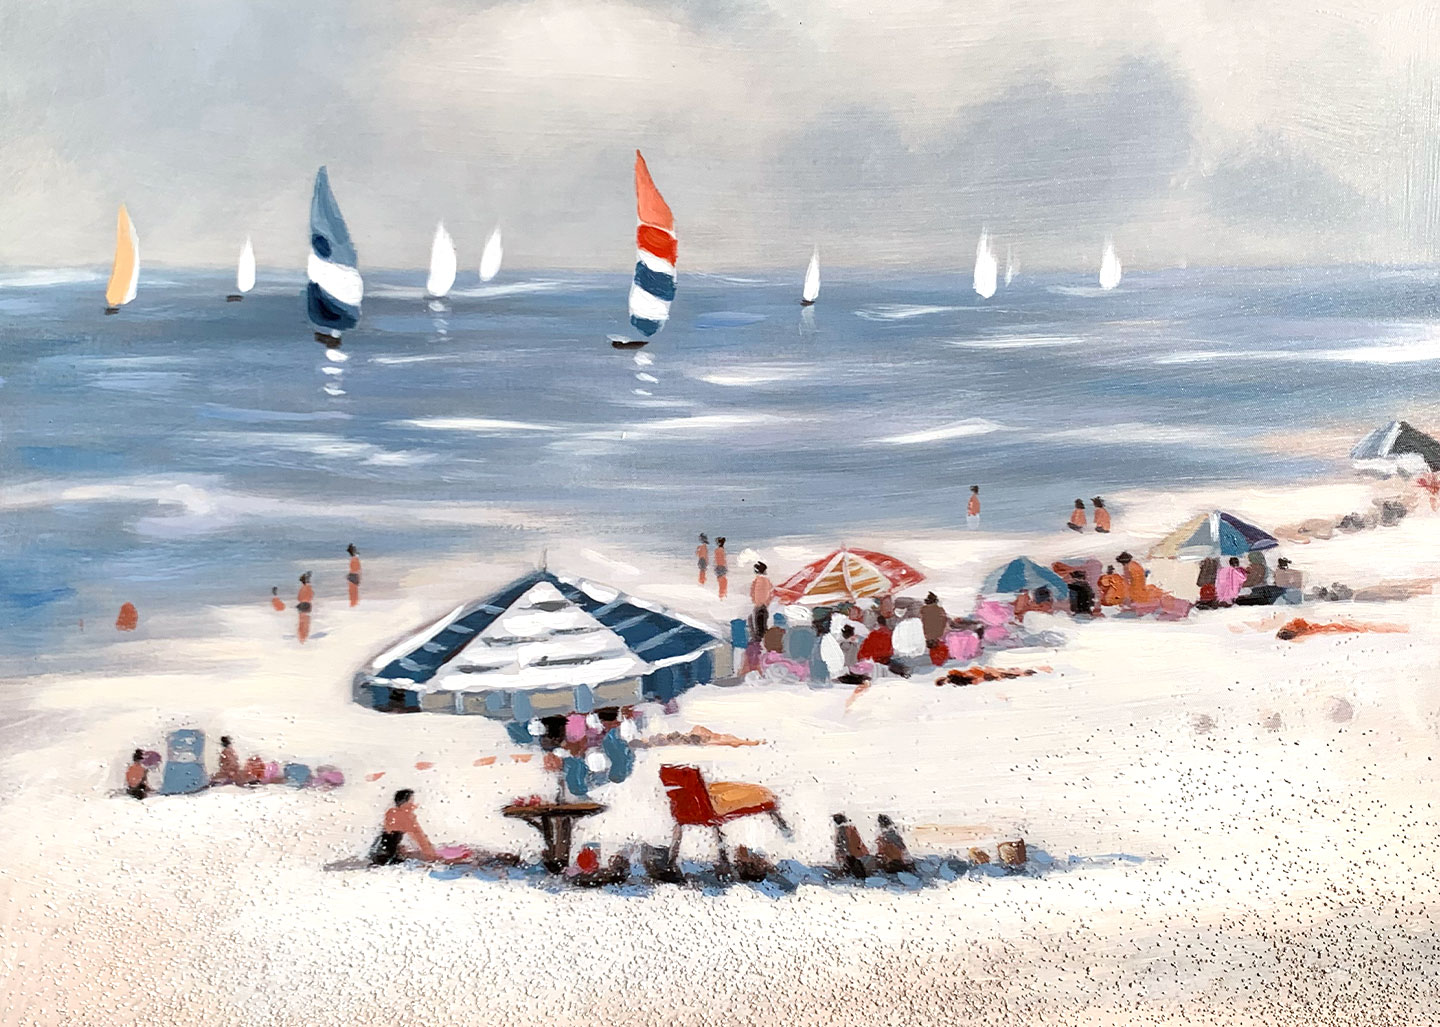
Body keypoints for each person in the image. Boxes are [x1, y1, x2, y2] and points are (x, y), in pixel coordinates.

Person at [370, 789, 436, 865]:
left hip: (379, 853)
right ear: (406, 802)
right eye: (412, 800)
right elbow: (420, 838)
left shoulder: (391, 813)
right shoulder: (405, 815)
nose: (414, 803)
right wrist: (432, 856)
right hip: (390, 857)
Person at [750, 562, 774, 637]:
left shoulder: (758, 580)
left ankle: (760, 640)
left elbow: (753, 593)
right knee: (762, 626)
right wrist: (767, 603)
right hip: (763, 606)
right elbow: (770, 593)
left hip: (759, 606)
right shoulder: (766, 581)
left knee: (759, 628)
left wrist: (757, 602)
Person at [296, 572, 314, 644]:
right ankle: (304, 637)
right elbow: (311, 596)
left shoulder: (302, 588)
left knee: (302, 621)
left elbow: (299, 597)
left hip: (302, 604)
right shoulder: (308, 588)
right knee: (306, 621)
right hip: (306, 604)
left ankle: (302, 637)